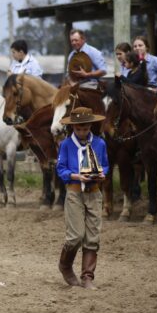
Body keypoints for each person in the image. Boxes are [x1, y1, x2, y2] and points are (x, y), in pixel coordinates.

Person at [56, 107, 109, 290]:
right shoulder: (66, 144)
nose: (82, 133)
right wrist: (76, 176)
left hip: (94, 192)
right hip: (74, 192)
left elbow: (105, 165)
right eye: (78, 129)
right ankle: (65, 265)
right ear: (73, 128)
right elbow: (61, 168)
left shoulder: (100, 144)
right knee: (76, 235)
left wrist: (102, 174)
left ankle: (87, 276)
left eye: (85, 129)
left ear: (90, 126)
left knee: (93, 236)